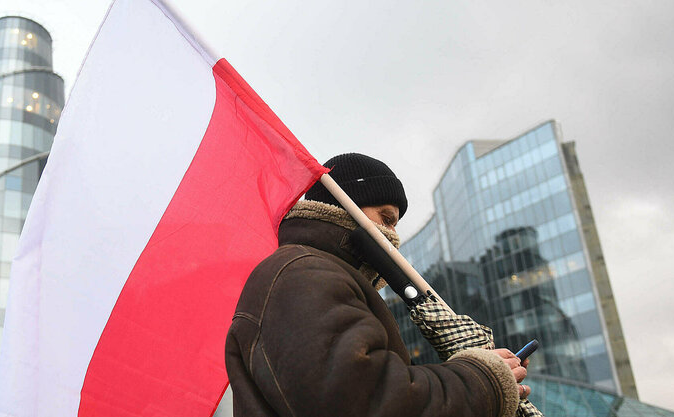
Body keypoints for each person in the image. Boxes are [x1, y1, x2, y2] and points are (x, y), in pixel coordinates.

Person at [225, 153, 529, 416]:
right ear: (345, 204)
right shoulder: (303, 274)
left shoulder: (319, 272)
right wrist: (481, 382)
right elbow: (363, 401)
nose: (392, 234)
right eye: (386, 218)